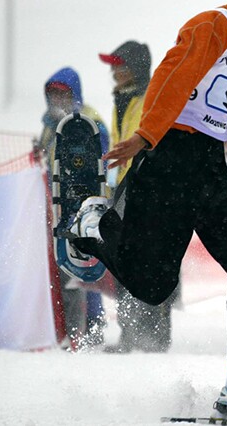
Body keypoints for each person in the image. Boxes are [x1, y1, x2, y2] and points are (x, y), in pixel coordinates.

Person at [72, 0, 227, 421]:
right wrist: (146, 135)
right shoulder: (213, 25)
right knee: (152, 285)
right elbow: (171, 79)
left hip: (211, 165)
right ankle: (94, 225)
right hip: (170, 158)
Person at [98, 40, 174, 353]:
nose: (116, 72)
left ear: (136, 69)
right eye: (113, 66)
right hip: (125, 191)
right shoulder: (124, 99)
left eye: (122, 66)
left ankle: (155, 336)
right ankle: (131, 334)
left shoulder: (150, 99)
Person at [39, 67, 109, 349]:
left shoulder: (89, 120)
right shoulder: (50, 122)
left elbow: (100, 153)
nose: (57, 99)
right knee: (65, 262)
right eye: (52, 94)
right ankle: (69, 326)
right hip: (59, 197)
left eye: (62, 93)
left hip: (83, 199)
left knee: (85, 261)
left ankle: (92, 325)